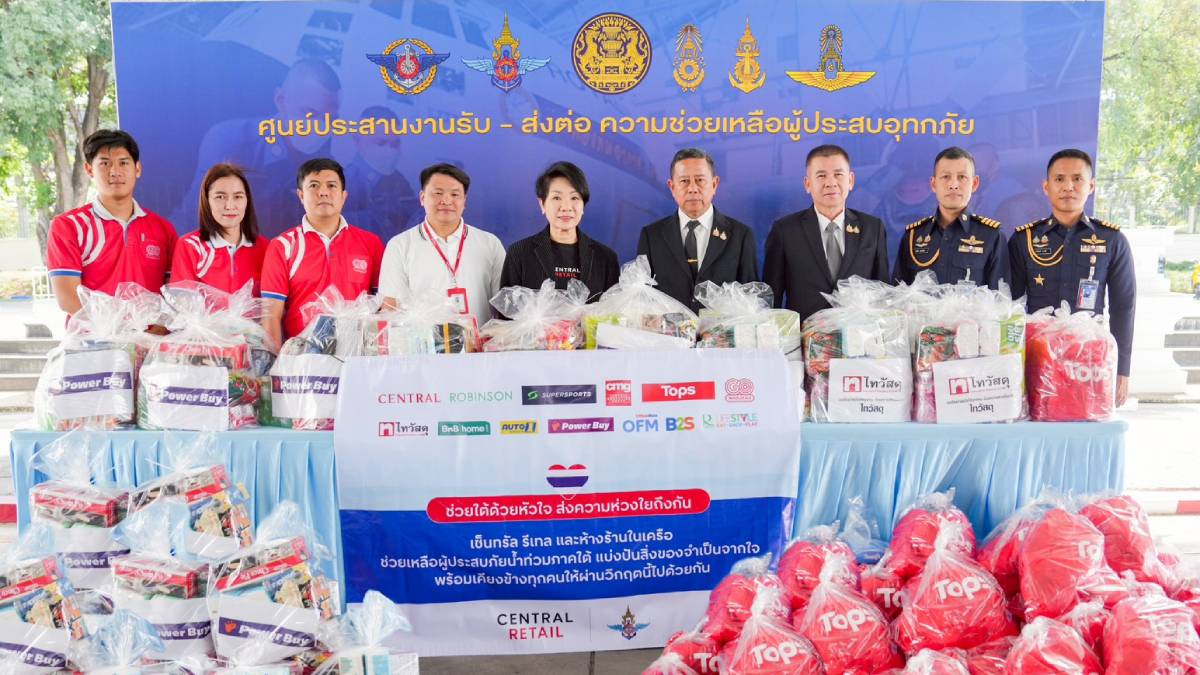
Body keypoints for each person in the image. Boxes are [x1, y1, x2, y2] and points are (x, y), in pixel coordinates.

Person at [1008, 148, 1135, 406]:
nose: (1068, 186)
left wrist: (1121, 370)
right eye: (1059, 179)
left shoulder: (1112, 240)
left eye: (1077, 179)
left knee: (1086, 421)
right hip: (1037, 358)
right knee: (1038, 423)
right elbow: (1010, 308)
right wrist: (1010, 364)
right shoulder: (1024, 240)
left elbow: (1124, 308)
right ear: (1046, 187)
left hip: (1090, 361)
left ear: (1091, 186)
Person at [47, 129, 178, 316]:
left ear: (137, 169)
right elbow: (68, 298)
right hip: (94, 334)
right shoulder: (68, 226)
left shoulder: (163, 229)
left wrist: (161, 325)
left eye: (123, 163)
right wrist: (115, 330)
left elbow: (174, 294)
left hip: (150, 334)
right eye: (104, 163)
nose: (115, 172)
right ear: (89, 169)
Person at [260, 158, 384, 346]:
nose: (323, 192)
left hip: (357, 353)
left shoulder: (371, 244)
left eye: (331, 185)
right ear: (301, 195)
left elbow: (384, 309)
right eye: (314, 186)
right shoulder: (283, 246)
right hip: (302, 355)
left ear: (343, 196)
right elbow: (271, 316)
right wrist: (277, 362)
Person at [763, 144, 890, 324]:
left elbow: (882, 293)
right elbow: (772, 300)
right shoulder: (785, 230)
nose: (831, 183)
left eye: (838, 174)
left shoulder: (872, 228)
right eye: (821, 176)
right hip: (804, 337)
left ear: (851, 180)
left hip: (860, 335)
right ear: (808, 184)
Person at [378, 164, 506, 331]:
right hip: (422, 345)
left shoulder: (490, 244)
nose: (446, 201)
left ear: (465, 200)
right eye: (438, 193)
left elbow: (503, 305)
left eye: (455, 194)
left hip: (480, 344)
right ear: (422, 197)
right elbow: (391, 308)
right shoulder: (399, 246)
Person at [637, 148, 758, 312]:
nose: (692, 188)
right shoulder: (651, 236)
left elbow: (750, 300)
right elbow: (642, 299)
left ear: (714, 184)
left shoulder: (740, 236)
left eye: (700, 180)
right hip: (668, 328)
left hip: (722, 328)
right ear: (672, 187)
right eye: (684, 181)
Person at [893, 147, 1009, 289]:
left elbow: (1001, 298)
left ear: (974, 184)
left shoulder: (992, 236)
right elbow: (897, 295)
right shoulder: (913, 236)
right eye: (946, 177)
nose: (953, 185)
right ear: (933, 184)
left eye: (962, 177)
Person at [499, 161, 619, 299]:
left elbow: (615, 309)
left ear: (583, 206)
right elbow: (506, 308)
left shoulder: (606, 259)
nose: (566, 207)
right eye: (556, 198)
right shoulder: (519, 254)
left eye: (574, 197)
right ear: (542, 204)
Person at [170, 163, 267, 294]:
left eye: (238, 196)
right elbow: (182, 303)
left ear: (247, 200)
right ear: (207, 201)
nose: (229, 206)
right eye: (220, 197)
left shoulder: (266, 249)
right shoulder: (190, 247)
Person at [343, 105, 420, 243]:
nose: (389, 150)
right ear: (357, 141)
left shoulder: (399, 180)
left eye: (395, 144)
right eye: (381, 143)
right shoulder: (344, 182)